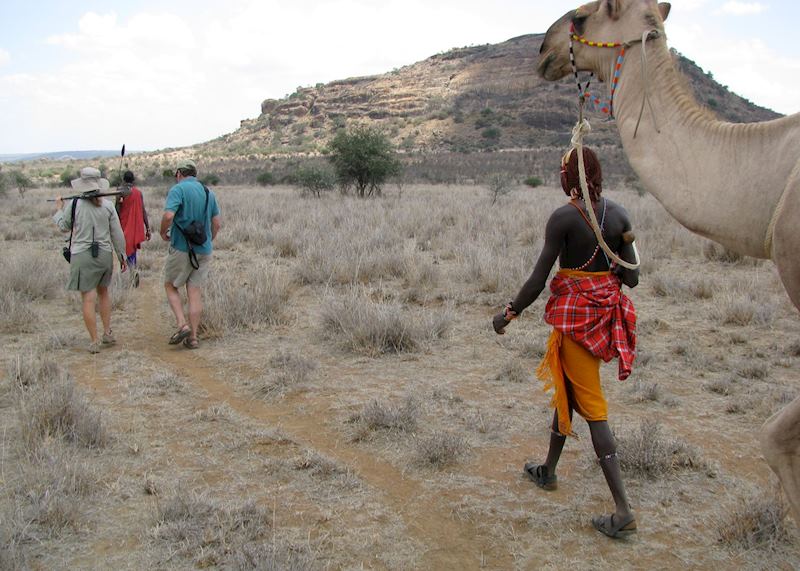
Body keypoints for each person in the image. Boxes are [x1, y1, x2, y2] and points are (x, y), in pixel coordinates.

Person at [492, 146, 640, 539]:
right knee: (567, 394)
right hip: (600, 320)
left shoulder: (563, 219)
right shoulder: (620, 214)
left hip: (574, 323)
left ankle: (623, 511)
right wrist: (607, 268)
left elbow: (540, 277)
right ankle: (548, 471)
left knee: (592, 407)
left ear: (568, 177)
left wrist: (508, 313)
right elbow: (633, 278)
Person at [53, 167, 128, 353]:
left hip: (82, 255)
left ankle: (94, 341)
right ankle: (107, 332)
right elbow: (117, 234)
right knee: (104, 293)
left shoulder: (75, 204)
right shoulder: (108, 205)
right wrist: (122, 255)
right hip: (104, 255)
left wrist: (58, 210)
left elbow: (64, 226)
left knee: (88, 298)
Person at [160, 159, 221, 350]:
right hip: (204, 249)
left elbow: (169, 215)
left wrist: (163, 232)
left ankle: (182, 324)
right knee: (194, 292)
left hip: (182, 247)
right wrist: (209, 240)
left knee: (170, 285)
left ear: (179, 173)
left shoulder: (177, 190)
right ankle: (193, 337)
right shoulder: (207, 192)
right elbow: (216, 223)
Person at [115, 170, 151, 286]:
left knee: (123, 249)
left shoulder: (120, 191)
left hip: (123, 225)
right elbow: (143, 210)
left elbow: (116, 211)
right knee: (132, 249)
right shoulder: (138, 193)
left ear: (124, 180)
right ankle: (133, 270)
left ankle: (131, 270)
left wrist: (118, 201)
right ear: (133, 180)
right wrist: (148, 228)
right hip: (136, 225)